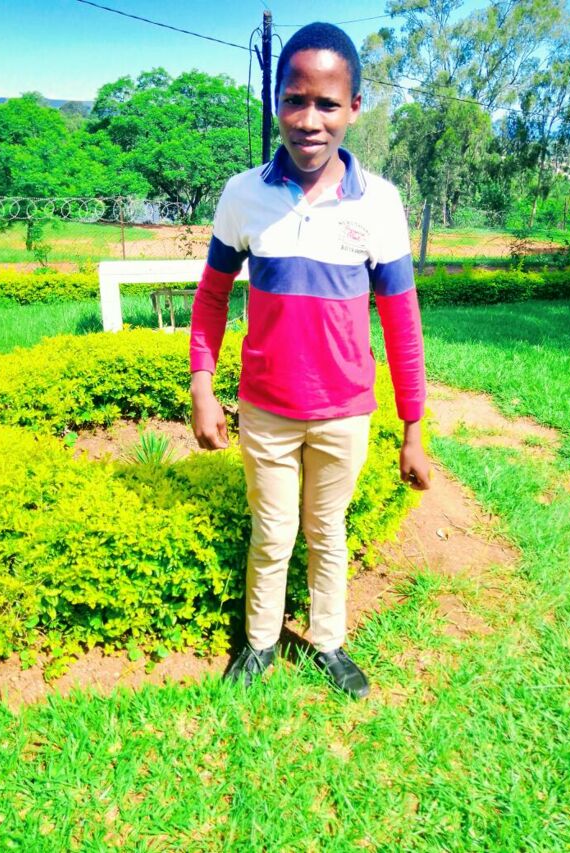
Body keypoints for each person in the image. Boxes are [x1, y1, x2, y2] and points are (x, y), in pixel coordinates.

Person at [189, 22, 431, 699]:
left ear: (354, 107)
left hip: (344, 412)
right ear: (276, 102)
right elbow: (211, 297)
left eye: (327, 103)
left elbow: (402, 323)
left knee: (327, 532)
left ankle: (327, 642)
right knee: (272, 534)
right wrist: (203, 386)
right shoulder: (243, 195)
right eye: (295, 100)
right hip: (266, 409)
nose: (309, 120)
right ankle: (260, 642)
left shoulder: (379, 202)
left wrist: (413, 428)